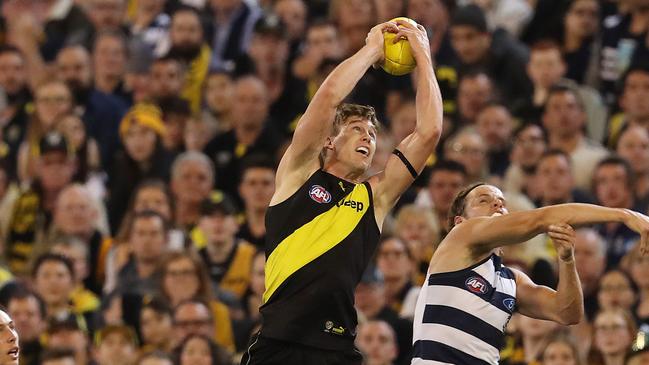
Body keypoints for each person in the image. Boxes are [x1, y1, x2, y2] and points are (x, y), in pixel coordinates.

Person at [243, 18, 442, 364]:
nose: (368, 137)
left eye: (373, 133)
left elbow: (429, 132)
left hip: (337, 348)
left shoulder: (374, 197)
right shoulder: (299, 174)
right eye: (356, 129)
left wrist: (423, 57)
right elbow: (329, 97)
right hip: (278, 344)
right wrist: (371, 51)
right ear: (330, 142)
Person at [412, 182, 649, 364]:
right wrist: (625, 215)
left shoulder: (510, 279)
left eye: (502, 202)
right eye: (484, 200)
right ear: (459, 220)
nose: (497, 204)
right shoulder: (459, 236)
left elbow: (567, 313)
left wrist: (566, 260)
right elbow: (539, 220)